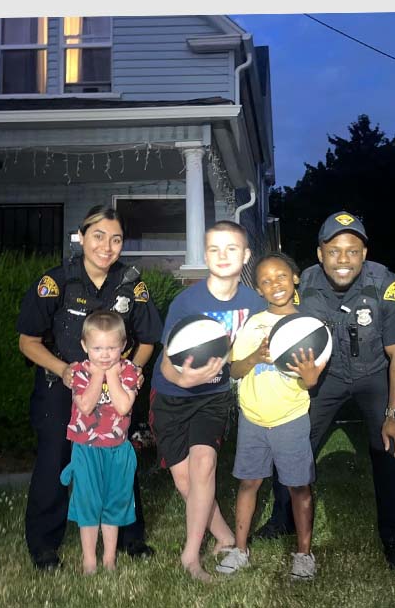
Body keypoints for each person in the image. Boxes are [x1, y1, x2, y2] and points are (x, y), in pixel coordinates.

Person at [256, 212, 395, 571]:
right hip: (325, 377)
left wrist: (394, 417)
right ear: (320, 254)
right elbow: (279, 328)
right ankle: (283, 517)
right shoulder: (303, 287)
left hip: (376, 375)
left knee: (394, 449)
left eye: (352, 250)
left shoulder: (388, 286)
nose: (343, 259)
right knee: (292, 442)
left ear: (364, 253)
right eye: (334, 251)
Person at [16, 205, 161, 571]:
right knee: (56, 461)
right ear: (82, 237)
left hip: (114, 389)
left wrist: (134, 372)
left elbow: (147, 340)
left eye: (116, 239)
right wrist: (64, 370)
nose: (107, 246)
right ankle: (45, 546)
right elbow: (28, 341)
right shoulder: (56, 282)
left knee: (118, 459)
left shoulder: (131, 284)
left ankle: (131, 538)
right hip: (62, 385)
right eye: (98, 236)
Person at [151, 220, 266, 581]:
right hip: (171, 394)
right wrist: (184, 378)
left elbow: (268, 340)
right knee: (185, 482)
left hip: (213, 397)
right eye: (215, 249)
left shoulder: (254, 303)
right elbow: (168, 362)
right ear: (205, 255)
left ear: (245, 256)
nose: (223, 255)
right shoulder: (187, 301)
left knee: (204, 465)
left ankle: (190, 556)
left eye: (232, 248)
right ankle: (224, 536)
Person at [216, 253, 322, 581]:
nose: (274, 284)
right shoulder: (253, 324)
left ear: (294, 278)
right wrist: (253, 356)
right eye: (265, 280)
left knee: (298, 487)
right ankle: (241, 549)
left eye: (280, 276)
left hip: (290, 418)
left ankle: (304, 554)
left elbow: (311, 380)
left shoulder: (309, 325)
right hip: (253, 419)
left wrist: (310, 376)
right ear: (259, 290)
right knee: (249, 482)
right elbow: (234, 369)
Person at [61, 310, 141, 575]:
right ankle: (89, 561)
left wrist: (112, 376)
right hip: (87, 449)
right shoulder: (80, 373)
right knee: (88, 503)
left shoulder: (129, 371)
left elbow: (122, 405)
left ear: (123, 346)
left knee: (114, 503)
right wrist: (98, 376)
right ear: (85, 346)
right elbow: (84, 407)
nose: (104, 355)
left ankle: (109, 559)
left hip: (117, 451)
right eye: (97, 348)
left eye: (111, 348)